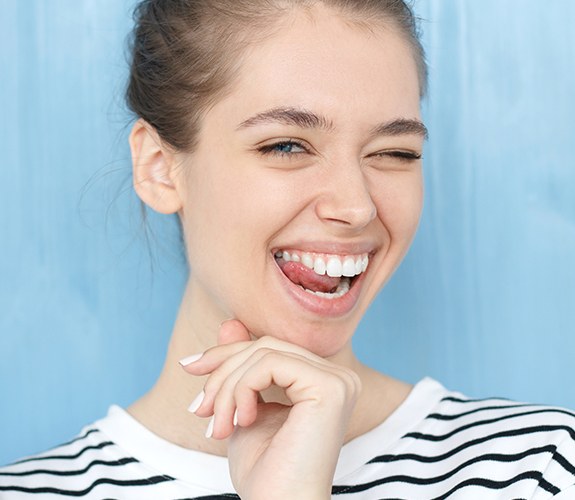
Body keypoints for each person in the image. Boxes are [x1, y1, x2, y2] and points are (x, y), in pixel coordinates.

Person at [1, 0, 574, 498]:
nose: (357, 207)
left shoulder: (541, 471)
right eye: (286, 145)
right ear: (160, 168)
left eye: (394, 152)